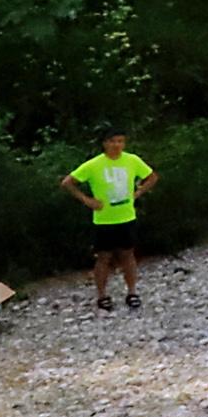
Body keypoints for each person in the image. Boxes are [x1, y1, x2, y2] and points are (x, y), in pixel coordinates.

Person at [62, 132, 156, 311]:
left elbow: (152, 177)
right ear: (105, 143)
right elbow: (68, 182)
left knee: (128, 255)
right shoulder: (94, 164)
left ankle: (132, 292)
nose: (116, 145)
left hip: (126, 216)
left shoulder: (132, 160)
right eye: (113, 141)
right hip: (104, 220)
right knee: (103, 257)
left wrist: (138, 193)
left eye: (120, 141)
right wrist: (86, 200)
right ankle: (102, 295)